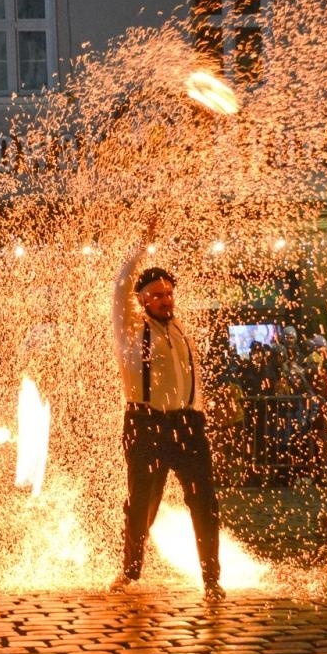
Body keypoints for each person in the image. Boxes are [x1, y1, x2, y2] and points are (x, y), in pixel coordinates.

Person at [110, 252, 224, 603]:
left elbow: (188, 378)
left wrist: (199, 410)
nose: (165, 300)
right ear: (141, 299)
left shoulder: (179, 329)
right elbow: (120, 286)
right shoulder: (130, 329)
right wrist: (142, 246)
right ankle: (130, 572)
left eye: (169, 294)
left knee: (205, 502)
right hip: (146, 424)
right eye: (157, 295)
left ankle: (212, 579)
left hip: (187, 424)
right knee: (142, 503)